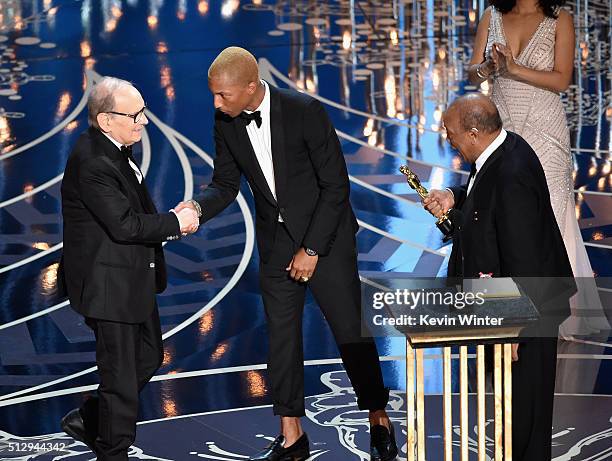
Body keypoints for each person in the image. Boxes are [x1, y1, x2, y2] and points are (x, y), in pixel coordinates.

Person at [175, 47, 397, 461]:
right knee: (281, 340)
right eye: (214, 95)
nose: (215, 103)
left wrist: (311, 248)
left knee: (350, 333)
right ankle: (292, 434)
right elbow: (224, 183)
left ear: (250, 86)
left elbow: (336, 187)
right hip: (276, 244)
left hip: (325, 240)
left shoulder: (305, 111)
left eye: (223, 95)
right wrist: (197, 208)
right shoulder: (225, 121)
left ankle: (378, 417)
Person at [423, 94, 575, 460]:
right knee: (515, 409)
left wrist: (515, 330)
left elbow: (525, 259)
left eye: (452, 133)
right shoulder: (501, 148)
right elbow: (483, 198)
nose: (448, 139)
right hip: (512, 304)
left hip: (530, 309)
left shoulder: (512, 176)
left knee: (526, 415)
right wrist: (454, 197)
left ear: (474, 133)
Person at [58, 77, 199, 461]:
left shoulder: (115, 148)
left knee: (148, 356)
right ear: (106, 121)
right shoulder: (94, 163)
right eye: (136, 114)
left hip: (130, 276)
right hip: (109, 285)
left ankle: (90, 419)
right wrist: (176, 221)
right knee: (120, 378)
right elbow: (125, 225)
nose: (144, 121)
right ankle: (113, 450)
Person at [468, 0, 608, 336]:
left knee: (552, 215)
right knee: (500, 214)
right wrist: (488, 66)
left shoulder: (560, 19)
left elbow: (561, 80)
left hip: (546, 130)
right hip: (500, 126)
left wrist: (513, 68)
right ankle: (507, 308)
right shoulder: (492, 16)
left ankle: (551, 312)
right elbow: (474, 74)